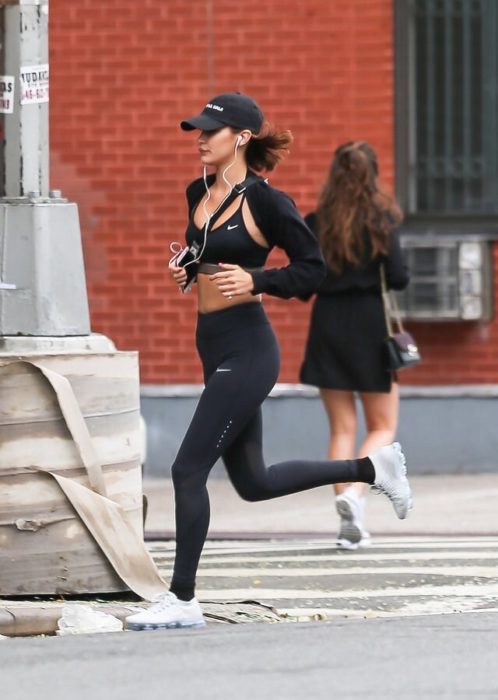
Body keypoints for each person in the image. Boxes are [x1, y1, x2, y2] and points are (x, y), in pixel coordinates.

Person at [125, 95, 412, 631]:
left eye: (211, 130)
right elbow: (205, 249)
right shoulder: (199, 192)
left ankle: (183, 599)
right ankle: (374, 469)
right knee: (253, 482)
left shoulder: (268, 202)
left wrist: (258, 280)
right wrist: (190, 268)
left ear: (240, 137)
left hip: (249, 350)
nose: (200, 137)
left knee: (188, 470)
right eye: (197, 130)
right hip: (212, 345)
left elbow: (314, 269)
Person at [300, 141, 410, 551]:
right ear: (373, 174)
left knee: (341, 427)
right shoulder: (383, 220)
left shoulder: (317, 221)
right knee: (382, 425)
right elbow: (398, 277)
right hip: (369, 325)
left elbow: (307, 278)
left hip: (327, 323)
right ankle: (355, 497)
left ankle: (349, 516)